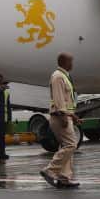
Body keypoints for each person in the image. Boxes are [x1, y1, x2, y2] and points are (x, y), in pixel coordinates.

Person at [41, 53, 80, 188]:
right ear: (64, 62)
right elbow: (58, 100)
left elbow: (66, 100)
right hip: (59, 116)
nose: (72, 64)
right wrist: (64, 116)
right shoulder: (58, 76)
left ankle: (64, 178)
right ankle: (50, 170)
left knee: (66, 146)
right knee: (71, 145)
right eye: (70, 61)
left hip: (64, 115)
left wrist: (72, 115)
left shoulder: (64, 76)